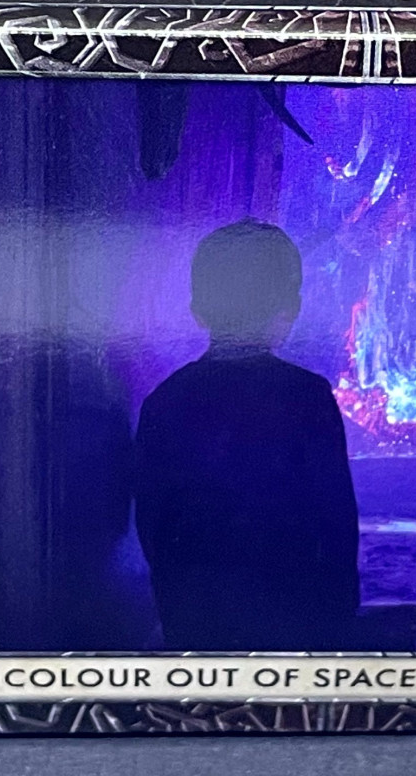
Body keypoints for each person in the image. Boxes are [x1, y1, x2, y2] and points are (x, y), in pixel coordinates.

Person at [133, 220, 362, 651]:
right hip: (293, 611)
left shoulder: (166, 400)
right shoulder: (307, 395)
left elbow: (154, 523)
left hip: (199, 613)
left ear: (198, 308)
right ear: (290, 307)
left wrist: (174, 607)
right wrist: (340, 611)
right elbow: (335, 516)